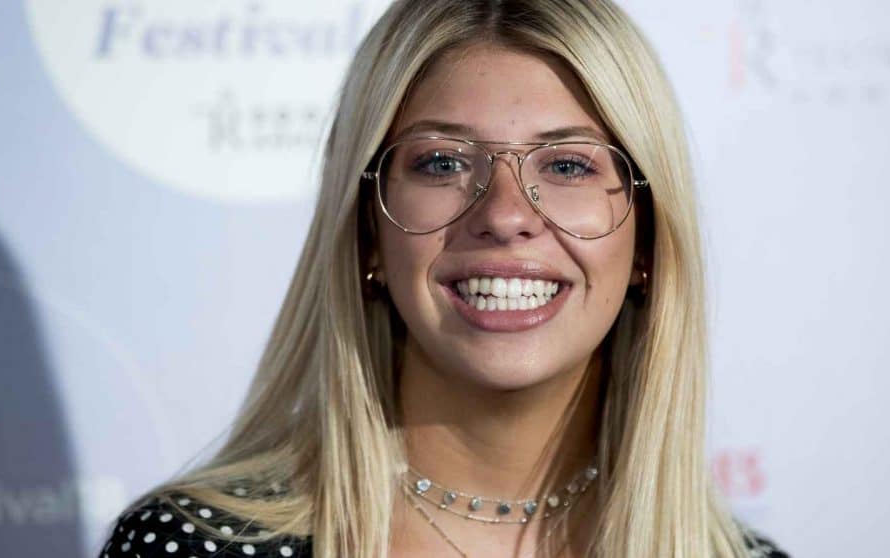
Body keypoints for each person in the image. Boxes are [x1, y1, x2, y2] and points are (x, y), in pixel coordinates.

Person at [98, 1, 789, 557]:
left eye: (568, 165)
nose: (506, 215)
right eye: (443, 162)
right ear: (368, 231)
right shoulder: (189, 547)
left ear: (646, 242)